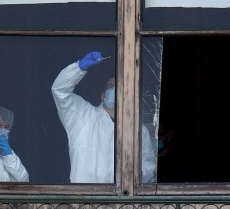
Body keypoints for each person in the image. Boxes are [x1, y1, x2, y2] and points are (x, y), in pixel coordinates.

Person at [52, 51, 156, 184]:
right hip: (85, 200)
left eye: (121, 89)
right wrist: (79, 68)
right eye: (111, 87)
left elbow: (149, 168)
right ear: (103, 95)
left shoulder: (139, 131)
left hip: (122, 202)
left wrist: (135, 172)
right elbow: (60, 91)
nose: (116, 91)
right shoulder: (82, 116)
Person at [0, 105, 29, 183]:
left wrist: (9, 155)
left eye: (6, 127)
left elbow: (24, 180)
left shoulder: (5, 152)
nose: (2, 131)